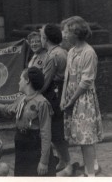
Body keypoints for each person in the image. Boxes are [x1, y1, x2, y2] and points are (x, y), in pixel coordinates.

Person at [0, 67, 56, 176]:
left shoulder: (42, 103)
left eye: (20, 78)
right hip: (22, 143)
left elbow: (46, 134)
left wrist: (44, 161)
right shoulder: (22, 99)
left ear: (27, 81)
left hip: (35, 145)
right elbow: (10, 110)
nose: (19, 81)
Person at [60, 16, 103, 177]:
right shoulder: (71, 51)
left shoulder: (88, 52)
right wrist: (64, 97)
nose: (63, 35)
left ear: (76, 33)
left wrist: (71, 100)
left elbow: (86, 82)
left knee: (86, 136)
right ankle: (92, 164)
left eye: (66, 31)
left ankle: (90, 174)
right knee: (80, 134)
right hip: (72, 97)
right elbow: (67, 76)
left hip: (83, 99)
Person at [39, 23, 72, 175]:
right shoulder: (62, 51)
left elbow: (45, 82)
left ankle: (67, 161)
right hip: (61, 93)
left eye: (41, 36)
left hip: (54, 95)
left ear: (46, 38)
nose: (40, 39)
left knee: (55, 130)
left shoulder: (52, 56)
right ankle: (63, 160)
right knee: (57, 129)